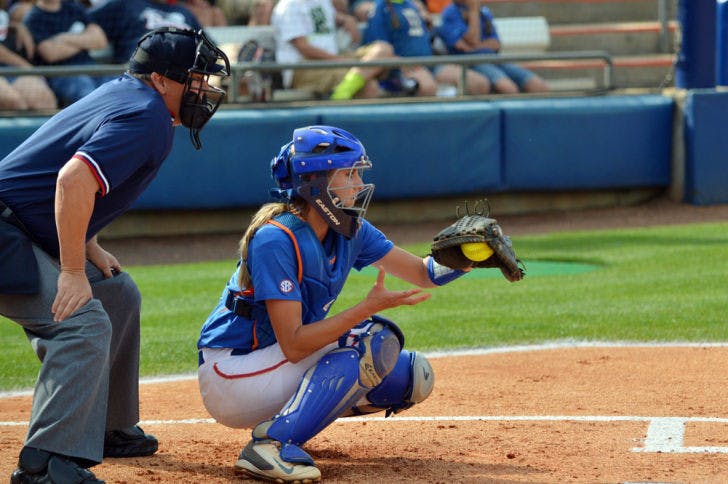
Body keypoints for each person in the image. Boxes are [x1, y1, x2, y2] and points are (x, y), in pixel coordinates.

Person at [0, 27, 229, 483]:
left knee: (116, 292)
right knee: (83, 322)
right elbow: (71, 181)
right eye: (196, 77)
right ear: (162, 80)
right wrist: (70, 271)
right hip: (7, 237)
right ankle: (45, 464)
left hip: (17, 226)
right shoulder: (145, 116)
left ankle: (105, 425)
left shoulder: (127, 96)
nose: (204, 88)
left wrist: (88, 246)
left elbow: (48, 179)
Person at [197, 125, 475, 482]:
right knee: (369, 342)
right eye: (349, 173)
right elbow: (295, 345)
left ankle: (298, 419)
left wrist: (469, 257)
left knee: (409, 376)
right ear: (315, 182)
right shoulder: (275, 238)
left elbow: (423, 273)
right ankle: (271, 445)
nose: (359, 184)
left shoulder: (350, 230)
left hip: (274, 362)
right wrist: (365, 308)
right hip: (232, 374)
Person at [271, 0, 395, 100]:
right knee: (369, 87)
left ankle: (343, 90)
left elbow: (323, 19)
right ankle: (341, 97)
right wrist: (340, 61)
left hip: (332, 61)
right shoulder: (289, 6)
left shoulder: (323, 2)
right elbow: (303, 47)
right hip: (303, 68)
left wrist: (346, 19)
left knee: (383, 49)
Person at [364, 0, 491, 96]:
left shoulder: (413, 5)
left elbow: (431, 37)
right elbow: (377, 46)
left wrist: (429, 24)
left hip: (430, 63)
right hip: (403, 67)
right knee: (428, 87)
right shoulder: (380, 7)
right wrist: (400, 63)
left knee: (479, 83)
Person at [438, 0, 549, 94]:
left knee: (539, 86)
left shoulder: (484, 12)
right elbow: (472, 39)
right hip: (472, 63)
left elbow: (496, 44)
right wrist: (473, 12)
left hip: (494, 59)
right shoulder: (450, 14)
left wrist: (476, 46)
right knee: (508, 88)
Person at [23, 0, 109, 107]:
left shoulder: (73, 7)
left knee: (119, 87)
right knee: (87, 93)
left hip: (91, 67)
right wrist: (85, 40)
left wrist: (64, 38)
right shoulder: (34, 17)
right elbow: (51, 53)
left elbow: (101, 41)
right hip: (60, 73)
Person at [88, 0, 202, 64]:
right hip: (142, 75)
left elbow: (207, 45)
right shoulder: (125, 4)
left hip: (187, 76)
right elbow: (82, 20)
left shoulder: (185, 12)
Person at [0, 6, 57, 110]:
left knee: (45, 100)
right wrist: (29, 69)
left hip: (10, 68)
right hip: (12, 66)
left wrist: (16, 25)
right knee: (13, 101)